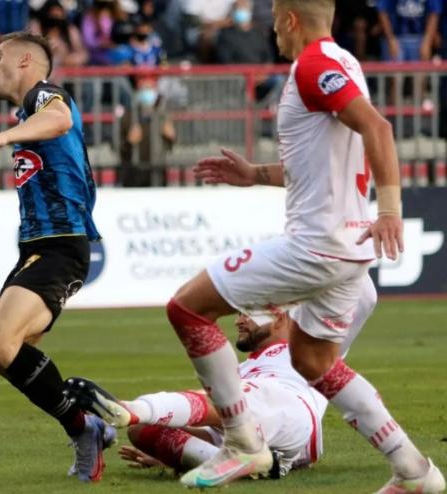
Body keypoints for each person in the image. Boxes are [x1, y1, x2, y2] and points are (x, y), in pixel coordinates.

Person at [164, 0, 445, 491]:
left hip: (317, 246)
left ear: (290, 20)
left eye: (274, 24)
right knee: (312, 361)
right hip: (350, 252)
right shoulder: (345, 62)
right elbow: (321, 164)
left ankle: (243, 443)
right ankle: (414, 470)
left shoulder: (312, 64)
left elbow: (378, 129)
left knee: (186, 310)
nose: (273, 34)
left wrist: (391, 211)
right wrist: (256, 175)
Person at [0, 32, 110, 482]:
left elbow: (60, 119)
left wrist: (3, 136)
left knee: (0, 343)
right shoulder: (27, 113)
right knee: (3, 353)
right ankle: (88, 411)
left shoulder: (45, 95)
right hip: (35, 248)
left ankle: (84, 427)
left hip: (61, 244)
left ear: (26, 62)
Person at [66, 309, 334, 478]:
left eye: (246, 313)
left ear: (279, 317)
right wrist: (175, 453)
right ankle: (224, 461)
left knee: (223, 398)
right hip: (270, 442)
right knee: (145, 430)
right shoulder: (247, 367)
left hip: (284, 409)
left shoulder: (304, 350)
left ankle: (131, 410)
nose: (239, 321)